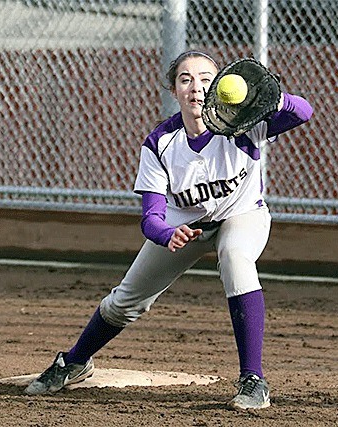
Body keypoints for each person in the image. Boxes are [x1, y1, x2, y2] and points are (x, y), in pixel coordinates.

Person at [25, 50, 313, 409]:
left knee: (236, 258)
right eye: (186, 79)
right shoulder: (161, 143)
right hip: (185, 224)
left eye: (207, 79)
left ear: (221, 87)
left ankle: (253, 380)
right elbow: (151, 218)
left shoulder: (244, 124)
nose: (196, 87)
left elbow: (304, 112)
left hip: (242, 215)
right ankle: (76, 361)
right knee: (125, 302)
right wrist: (167, 234)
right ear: (174, 91)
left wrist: (277, 99)